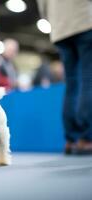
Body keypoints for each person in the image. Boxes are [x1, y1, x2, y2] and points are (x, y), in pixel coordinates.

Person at [37, 0, 92, 154]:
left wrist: (53, 17)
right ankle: (86, 138)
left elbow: (42, 5)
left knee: (71, 83)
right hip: (83, 21)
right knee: (88, 79)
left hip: (60, 28)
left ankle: (71, 139)